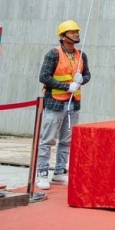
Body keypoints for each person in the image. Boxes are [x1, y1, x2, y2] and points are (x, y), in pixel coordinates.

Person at [35, 20, 91, 190]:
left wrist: (82, 80)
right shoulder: (53, 54)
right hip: (55, 103)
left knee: (66, 141)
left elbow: (87, 75)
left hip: (73, 104)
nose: (76, 34)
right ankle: (42, 173)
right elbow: (44, 77)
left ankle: (59, 172)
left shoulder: (81, 55)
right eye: (72, 32)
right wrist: (66, 86)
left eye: (77, 31)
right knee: (47, 140)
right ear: (63, 36)